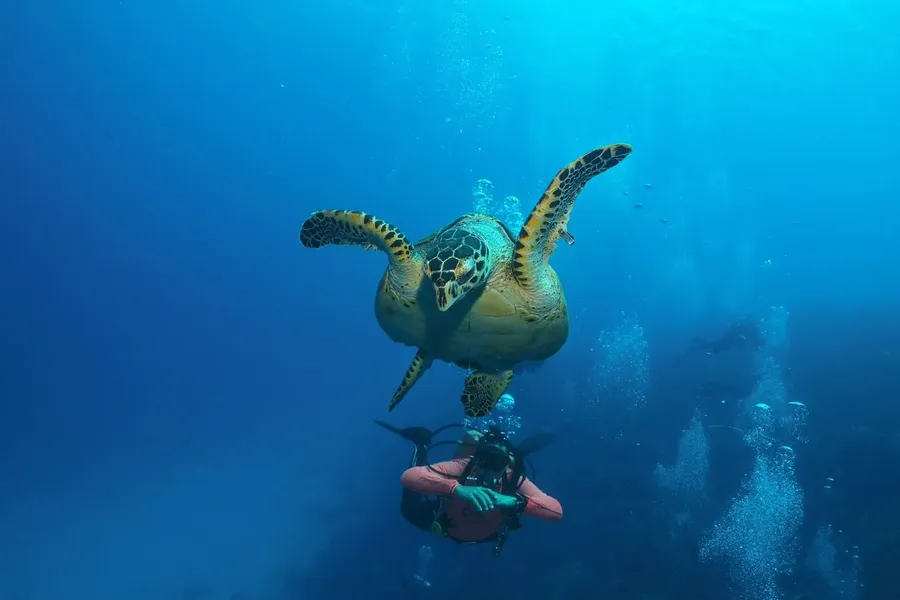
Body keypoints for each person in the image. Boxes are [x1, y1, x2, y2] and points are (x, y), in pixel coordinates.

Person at [380, 421, 562, 555]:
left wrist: (516, 502)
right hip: (447, 523)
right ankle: (421, 446)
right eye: (484, 459)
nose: (489, 469)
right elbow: (409, 477)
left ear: (506, 464)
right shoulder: (464, 466)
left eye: (497, 462)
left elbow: (556, 511)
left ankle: (518, 453)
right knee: (411, 509)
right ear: (476, 457)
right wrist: (457, 489)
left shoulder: (512, 479)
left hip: (488, 534)